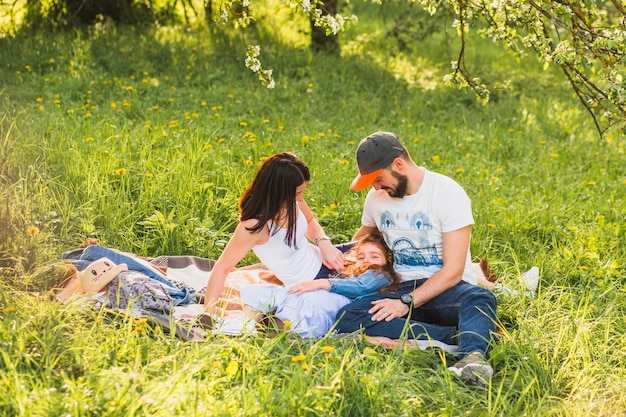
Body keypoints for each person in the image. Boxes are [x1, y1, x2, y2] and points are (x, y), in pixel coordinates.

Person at [335, 131, 498, 387]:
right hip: (397, 286)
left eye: (378, 179)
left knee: (480, 298)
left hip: (446, 290)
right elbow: (363, 238)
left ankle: (472, 361)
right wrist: (330, 256)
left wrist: (406, 303)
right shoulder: (376, 199)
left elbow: (454, 271)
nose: (376, 187)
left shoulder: (446, 193)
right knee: (348, 315)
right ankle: (455, 337)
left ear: (398, 165)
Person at [202, 152, 345, 316]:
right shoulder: (255, 226)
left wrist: (324, 242)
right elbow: (222, 267)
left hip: (326, 262)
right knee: (366, 299)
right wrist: (208, 313)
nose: (301, 198)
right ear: (279, 192)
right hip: (312, 284)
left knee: (377, 255)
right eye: (298, 193)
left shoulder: (292, 201)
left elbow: (311, 222)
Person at [223, 231, 401, 338]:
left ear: (387, 260)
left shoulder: (380, 274)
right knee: (272, 318)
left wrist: (322, 283)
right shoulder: (348, 274)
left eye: (374, 256)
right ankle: (242, 323)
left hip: (317, 313)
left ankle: (242, 324)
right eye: (361, 257)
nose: (366, 260)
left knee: (265, 294)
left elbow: (360, 287)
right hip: (311, 315)